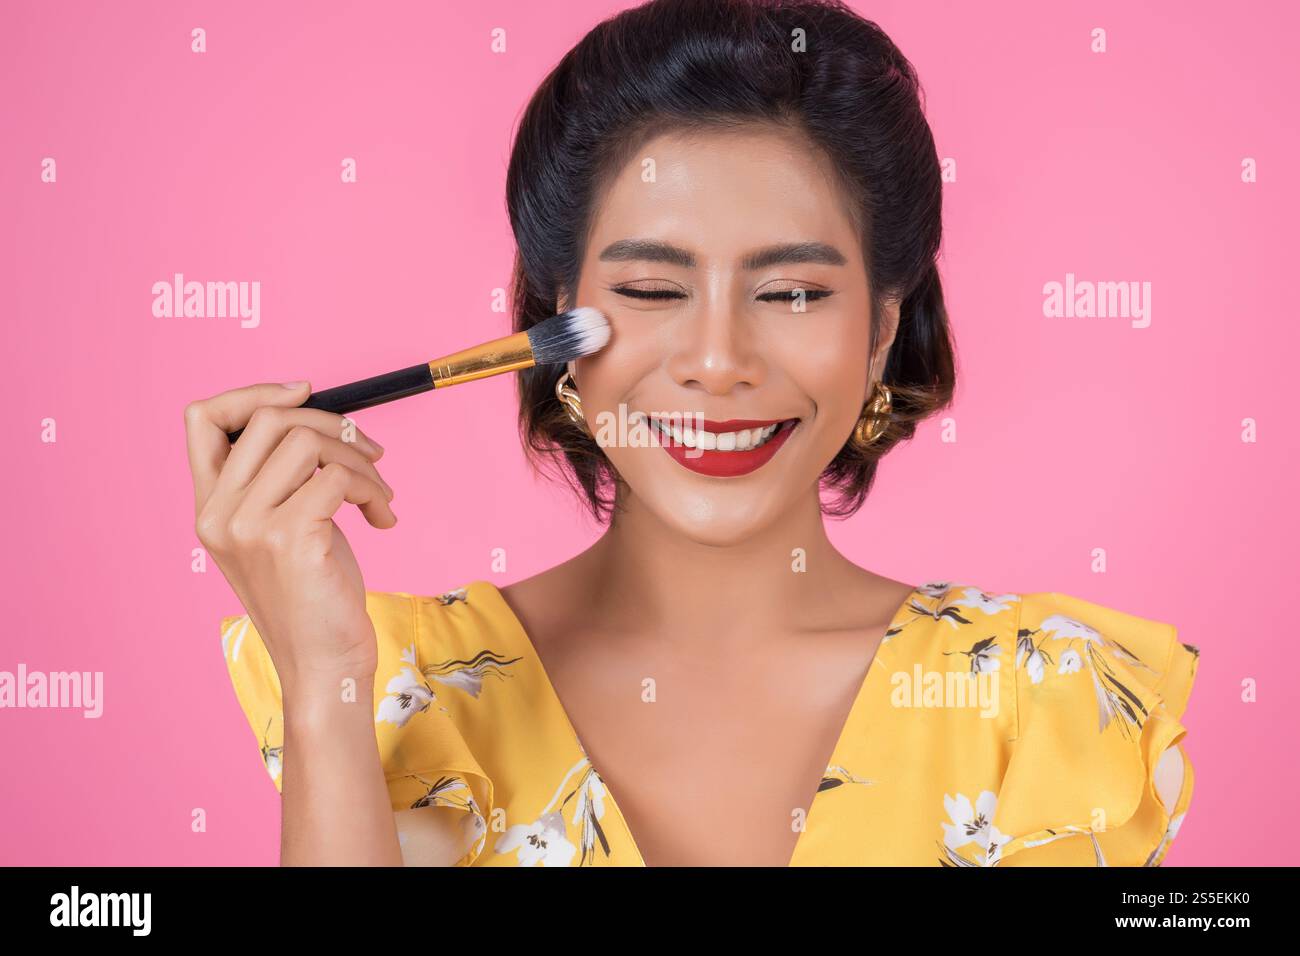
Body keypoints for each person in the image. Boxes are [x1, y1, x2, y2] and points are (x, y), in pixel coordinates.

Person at [188, 0, 1198, 866]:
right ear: (558, 320)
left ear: (883, 325)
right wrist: (324, 685)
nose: (718, 360)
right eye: (651, 290)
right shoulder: (397, 684)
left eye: (793, 290)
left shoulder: (1051, 696)